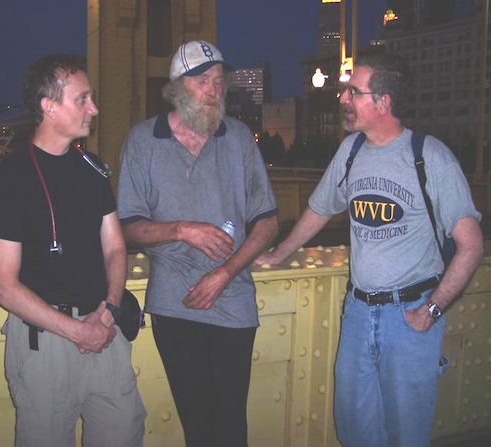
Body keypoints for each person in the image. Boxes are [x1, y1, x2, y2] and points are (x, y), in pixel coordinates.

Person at [255, 53, 484, 447]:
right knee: (354, 429)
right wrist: (279, 254)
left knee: (405, 435)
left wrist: (431, 311)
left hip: (409, 316)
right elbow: (319, 209)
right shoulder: (351, 152)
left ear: (383, 103)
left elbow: (471, 245)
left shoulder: (429, 157)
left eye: (353, 92)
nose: (344, 99)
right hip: (359, 312)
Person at [0, 54, 146, 447]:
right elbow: (5, 287)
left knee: (124, 434)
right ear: (48, 107)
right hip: (45, 343)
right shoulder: (7, 182)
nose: (94, 108)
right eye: (82, 99)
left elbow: (115, 247)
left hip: (104, 328)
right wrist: (76, 331)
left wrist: (110, 312)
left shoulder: (93, 169)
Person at [117, 40, 279, 447]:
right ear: (176, 87)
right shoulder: (141, 141)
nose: (214, 89)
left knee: (230, 426)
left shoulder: (239, 138)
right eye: (203, 80)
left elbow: (268, 223)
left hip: (233, 299)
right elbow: (128, 226)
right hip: (176, 303)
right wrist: (182, 229)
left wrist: (226, 272)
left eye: (219, 81)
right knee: (198, 425)